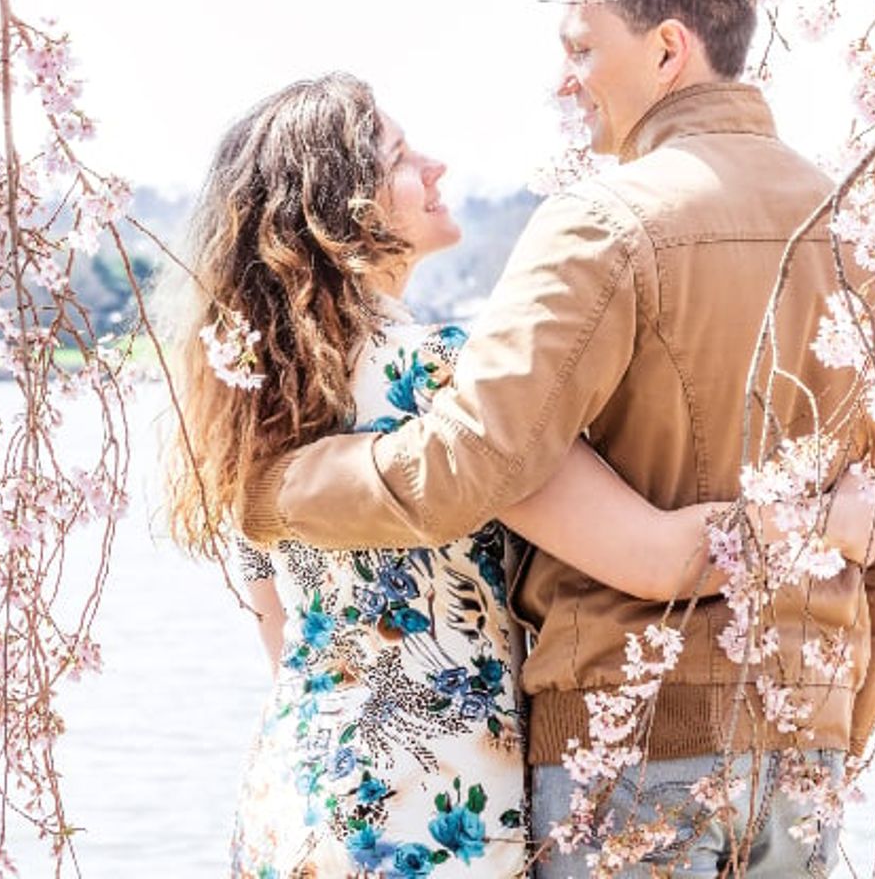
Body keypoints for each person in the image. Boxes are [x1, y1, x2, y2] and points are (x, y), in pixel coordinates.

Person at [240, 0, 875, 878]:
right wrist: (834, 723)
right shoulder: (872, 232)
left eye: (580, 49)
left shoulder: (603, 225)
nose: (564, 83)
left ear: (666, 47)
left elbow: (465, 467)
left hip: (629, 748)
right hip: (804, 746)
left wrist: (271, 488)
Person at [160, 73, 733, 879]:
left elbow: (276, 631)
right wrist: (821, 522)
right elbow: (659, 558)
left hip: (294, 803)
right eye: (401, 157)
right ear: (341, 210)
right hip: (426, 821)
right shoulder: (450, 379)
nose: (437, 167)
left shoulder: (244, 403)